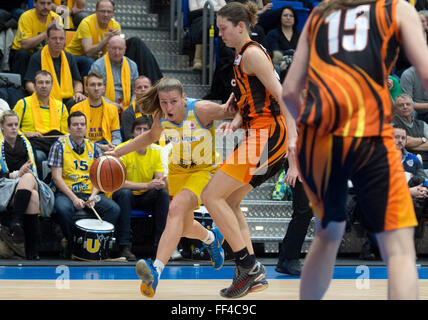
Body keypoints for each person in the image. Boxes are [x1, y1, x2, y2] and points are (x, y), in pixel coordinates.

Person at [282, 0, 428, 299]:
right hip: (368, 135)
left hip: (318, 139)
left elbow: (288, 91)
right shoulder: (396, 9)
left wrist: (305, 130)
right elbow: (425, 74)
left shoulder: (320, 14)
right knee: (399, 250)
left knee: (328, 235)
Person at [200, 1, 298, 299]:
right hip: (260, 132)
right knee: (227, 200)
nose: (221, 34)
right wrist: (239, 108)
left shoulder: (252, 54)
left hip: (269, 135)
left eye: (224, 28)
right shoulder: (246, 55)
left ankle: (248, 265)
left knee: (210, 195)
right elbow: (257, 94)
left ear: (240, 26)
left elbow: (283, 96)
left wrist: (293, 146)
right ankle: (251, 274)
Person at [106, 77, 237, 298]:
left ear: (184, 98)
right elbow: (150, 136)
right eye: (163, 102)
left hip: (202, 171)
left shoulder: (202, 110)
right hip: (178, 172)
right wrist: (119, 151)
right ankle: (211, 239)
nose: (168, 107)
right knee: (183, 227)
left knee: (174, 211)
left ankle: (156, 270)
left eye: (173, 101)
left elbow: (229, 111)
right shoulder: (161, 117)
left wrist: (240, 98)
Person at [47, 110, 121, 258]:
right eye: (75, 124)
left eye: (82, 124)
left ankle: (98, 245)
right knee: (63, 208)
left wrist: (93, 196)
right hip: (66, 193)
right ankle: (73, 244)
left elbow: (99, 177)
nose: (79, 127)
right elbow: (56, 178)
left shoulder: (94, 148)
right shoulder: (59, 146)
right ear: (68, 128)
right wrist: (74, 198)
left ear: (86, 127)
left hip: (89, 193)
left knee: (113, 209)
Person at [112, 116, 169, 261]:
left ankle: (160, 246)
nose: (142, 132)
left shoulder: (157, 151)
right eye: (138, 129)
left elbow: (158, 178)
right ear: (132, 133)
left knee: (163, 193)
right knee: (124, 193)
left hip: (146, 196)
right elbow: (119, 183)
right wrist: (147, 185)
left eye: (146, 129)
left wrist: (160, 183)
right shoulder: (122, 149)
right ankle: (125, 246)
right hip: (126, 195)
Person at [0, 110, 55, 260]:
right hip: (6, 185)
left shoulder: (26, 142)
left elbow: (33, 170)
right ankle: (32, 250)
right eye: (9, 125)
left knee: (29, 177)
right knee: (33, 197)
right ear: (2, 127)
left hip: (30, 181)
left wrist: (23, 173)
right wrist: (16, 174)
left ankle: (16, 221)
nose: (13, 128)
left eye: (16, 125)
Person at [13, 70, 69, 178]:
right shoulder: (23, 104)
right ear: (34, 85)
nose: (44, 86)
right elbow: (9, 128)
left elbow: (65, 133)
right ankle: (40, 184)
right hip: (34, 143)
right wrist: (27, 134)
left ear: (52, 85)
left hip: (55, 144)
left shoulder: (61, 106)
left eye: (47, 82)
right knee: (39, 156)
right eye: (40, 82)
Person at [24, 24, 85, 112]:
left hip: (67, 99)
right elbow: (29, 84)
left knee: (81, 101)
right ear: (47, 40)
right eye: (54, 38)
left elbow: (77, 82)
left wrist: (78, 92)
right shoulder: (37, 57)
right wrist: (40, 96)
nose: (58, 41)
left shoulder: (69, 57)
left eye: (61, 38)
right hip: (45, 98)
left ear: (65, 40)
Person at [9, 0, 61, 82]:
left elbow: (60, 44)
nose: (46, 7)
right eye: (42, 3)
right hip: (21, 54)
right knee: (23, 54)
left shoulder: (56, 18)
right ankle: (20, 88)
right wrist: (47, 32)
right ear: (34, 3)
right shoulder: (26, 16)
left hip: (42, 53)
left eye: (49, 3)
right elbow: (24, 45)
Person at [65, 0, 121, 76]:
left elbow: (115, 52)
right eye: (102, 11)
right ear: (96, 11)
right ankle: (87, 86)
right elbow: (88, 52)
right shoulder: (86, 23)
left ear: (113, 13)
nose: (106, 14)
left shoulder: (115, 26)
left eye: (109, 12)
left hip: (96, 58)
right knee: (89, 61)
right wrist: (107, 39)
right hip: (73, 56)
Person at [70, 71, 122, 153]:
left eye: (99, 84)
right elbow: (75, 139)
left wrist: (113, 147)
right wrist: (100, 147)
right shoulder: (76, 109)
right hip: (84, 149)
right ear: (86, 89)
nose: (96, 88)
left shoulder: (112, 109)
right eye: (92, 85)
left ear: (104, 88)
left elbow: (116, 136)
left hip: (107, 148)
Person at [89, 35, 139, 113]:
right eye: (114, 48)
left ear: (125, 50)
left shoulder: (132, 65)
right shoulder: (98, 66)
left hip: (128, 108)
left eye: (120, 49)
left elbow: (136, 90)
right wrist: (110, 104)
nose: (117, 52)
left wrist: (131, 105)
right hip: (104, 107)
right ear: (108, 48)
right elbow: (93, 91)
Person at [391, 93, 428, 169]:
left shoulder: (422, 124)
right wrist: (423, 139)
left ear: (413, 107)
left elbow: (405, 143)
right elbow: (404, 142)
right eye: (401, 105)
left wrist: (410, 146)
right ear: (396, 108)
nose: (405, 107)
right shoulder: (392, 124)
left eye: (408, 104)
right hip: (406, 163)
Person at [187, 0, 227, 70]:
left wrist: (205, 8)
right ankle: (198, 59)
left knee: (222, 26)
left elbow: (225, 8)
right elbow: (193, 9)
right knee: (205, 25)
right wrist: (215, 7)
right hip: (199, 17)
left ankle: (216, 61)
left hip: (216, 16)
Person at [266, 6, 300, 81]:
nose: (288, 18)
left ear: (295, 18)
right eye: (285, 15)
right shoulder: (272, 34)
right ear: (280, 18)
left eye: (291, 16)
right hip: (279, 64)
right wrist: (292, 52)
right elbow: (276, 53)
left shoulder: (300, 35)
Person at [121, 76, 152, 141]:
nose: (143, 89)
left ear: (151, 89)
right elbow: (129, 139)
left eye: (146, 87)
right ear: (134, 91)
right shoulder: (128, 113)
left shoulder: (160, 110)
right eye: (139, 87)